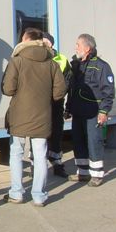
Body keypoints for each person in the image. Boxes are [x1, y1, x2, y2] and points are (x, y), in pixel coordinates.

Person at [1, 28, 66, 206]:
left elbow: (8, 89)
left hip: (19, 115)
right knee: (40, 155)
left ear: (25, 40)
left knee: (16, 153)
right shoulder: (52, 62)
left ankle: (17, 192)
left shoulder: (17, 61)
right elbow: (60, 91)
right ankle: (39, 195)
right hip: (43, 115)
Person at [66, 34, 115, 187]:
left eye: (78, 45)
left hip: (93, 112)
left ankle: (97, 174)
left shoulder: (101, 66)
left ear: (87, 48)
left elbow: (108, 90)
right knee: (78, 141)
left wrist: (104, 111)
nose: (76, 48)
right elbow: (71, 89)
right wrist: (68, 108)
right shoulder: (75, 64)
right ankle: (83, 172)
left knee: (94, 142)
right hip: (78, 111)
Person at [42, 32, 72, 177]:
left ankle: (57, 164)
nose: (43, 44)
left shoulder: (62, 59)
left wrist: (57, 95)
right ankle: (37, 165)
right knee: (39, 134)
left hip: (56, 103)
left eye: (45, 41)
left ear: (51, 44)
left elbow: (67, 81)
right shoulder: (38, 59)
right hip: (40, 105)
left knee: (56, 133)